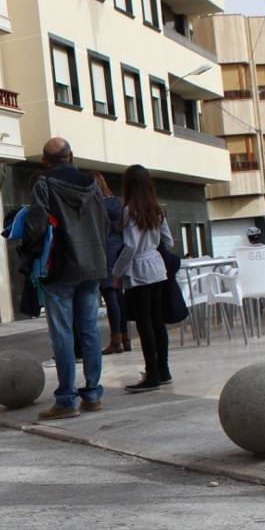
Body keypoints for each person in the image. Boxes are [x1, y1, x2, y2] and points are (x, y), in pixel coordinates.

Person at [21, 138, 108, 419]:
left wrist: (27, 252)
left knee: (62, 333)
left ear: (45, 160)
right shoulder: (92, 184)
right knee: (90, 331)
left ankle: (66, 400)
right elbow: (104, 223)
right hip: (93, 265)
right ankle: (93, 394)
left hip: (60, 267)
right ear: (71, 156)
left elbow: (36, 224)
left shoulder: (44, 184)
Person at [113, 165, 174, 392]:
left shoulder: (130, 210)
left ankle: (152, 374)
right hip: (157, 267)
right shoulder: (156, 208)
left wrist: (117, 272)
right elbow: (169, 240)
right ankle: (164, 369)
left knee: (143, 321)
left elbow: (129, 246)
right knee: (157, 321)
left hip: (139, 269)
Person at [94, 172, 129, 355]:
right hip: (119, 253)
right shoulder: (118, 203)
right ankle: (125, 337)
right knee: (119, 296)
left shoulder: (98, 207)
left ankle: (115, 341)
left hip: (105, 254)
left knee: (110, 297)